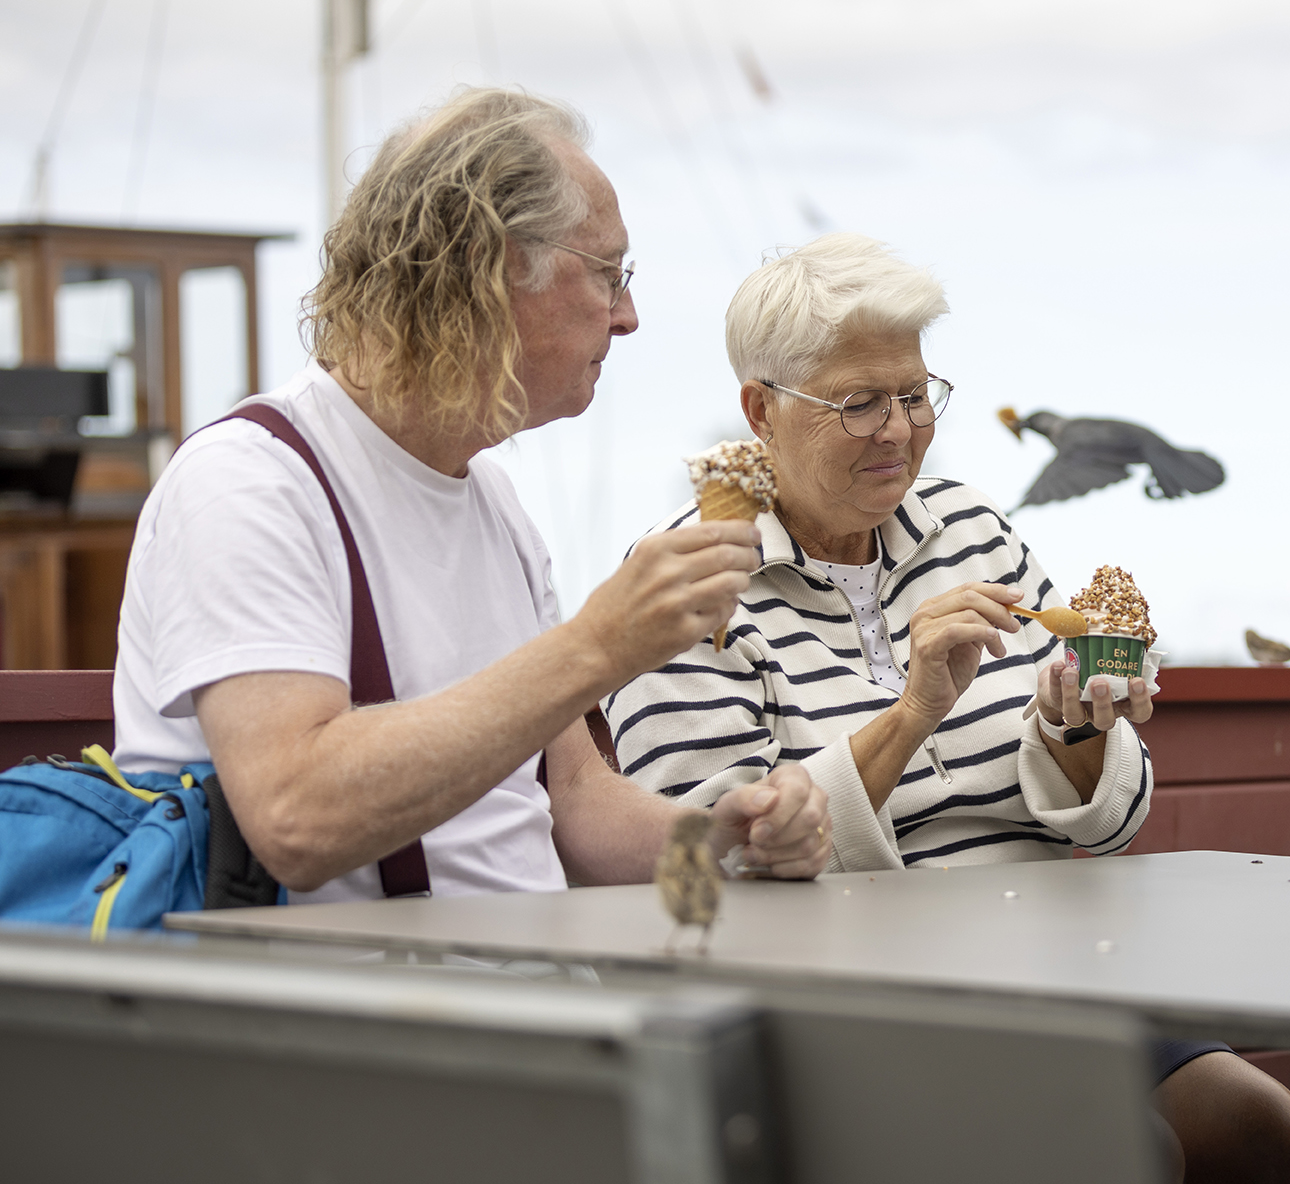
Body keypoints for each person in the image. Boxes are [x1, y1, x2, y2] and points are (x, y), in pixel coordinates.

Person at [607, 233, 1290, 1183]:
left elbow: (1113, 821)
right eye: (860, 402)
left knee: (1266, 1132)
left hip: (1052, 967)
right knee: (1124, 1153)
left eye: (914, 394)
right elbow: (711, 867)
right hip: (849, 1004)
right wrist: (911, 713)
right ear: (760, 410)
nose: (900, 429)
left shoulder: (974, 528)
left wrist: (1078, 723)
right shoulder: (686, 587)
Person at [111, 88, 831, 901]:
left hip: (516, 988)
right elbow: (294, 820)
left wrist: (726, 840)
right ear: (486, 274)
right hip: (350, 1008)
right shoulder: (249, 485)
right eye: (606, 273)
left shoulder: (490, 499)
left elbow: (574, 807)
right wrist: (597, 645)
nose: (627, 317)